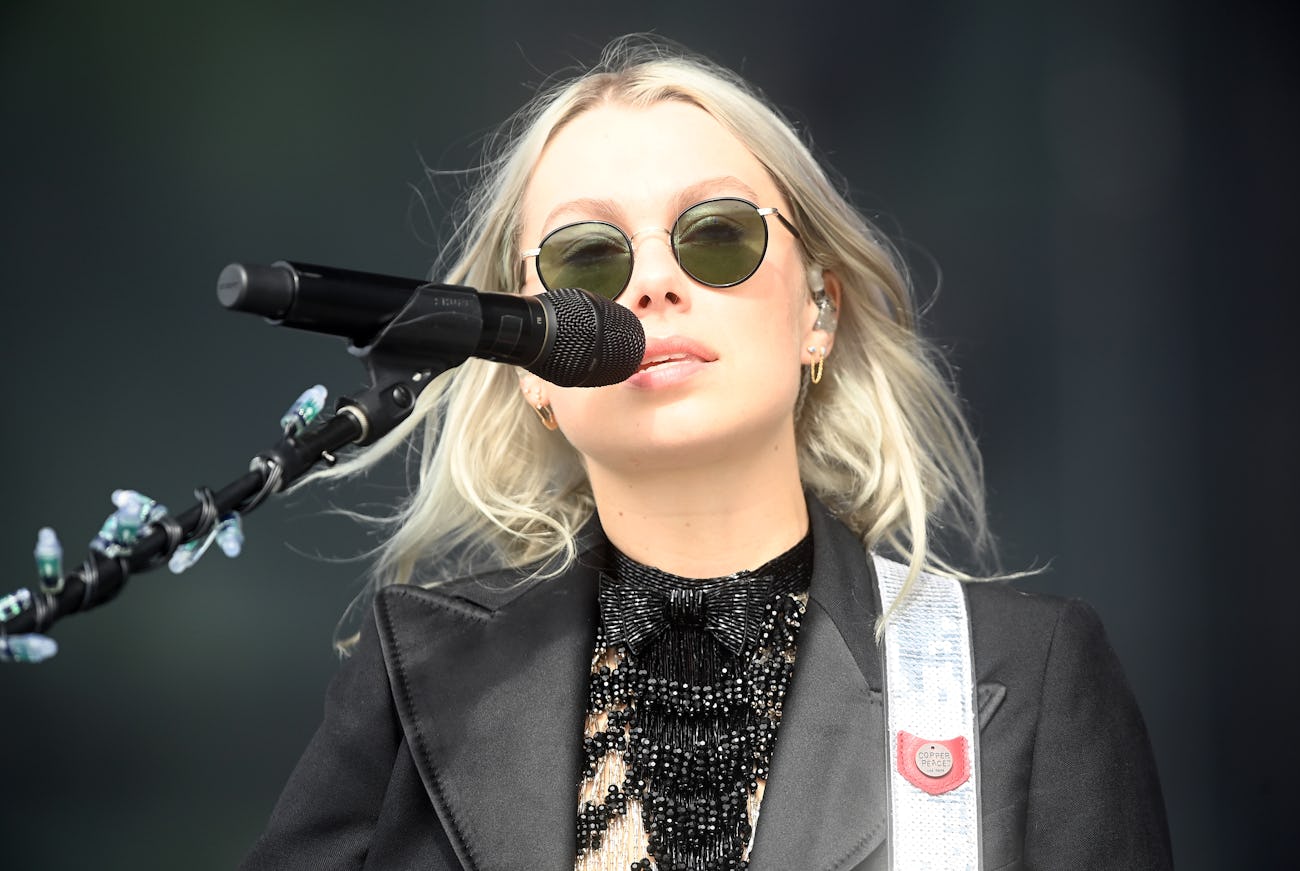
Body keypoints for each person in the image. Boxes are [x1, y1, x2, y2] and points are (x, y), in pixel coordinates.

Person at [241, 36, 1172, 871]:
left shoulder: (1022, 675)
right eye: (586, 259)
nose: (651, 283)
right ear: (526, 364)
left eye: (717, 237)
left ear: (819, 312)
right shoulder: (419, 673)